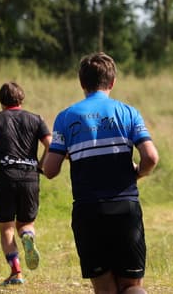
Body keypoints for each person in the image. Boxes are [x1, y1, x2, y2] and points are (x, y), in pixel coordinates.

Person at [43, 52, 159, 294]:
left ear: (82, 83)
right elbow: (151, 157)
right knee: (132, 286)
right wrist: (138, 173)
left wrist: (69, 150)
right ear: (113, 82)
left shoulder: (65, 117)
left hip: (88, 211)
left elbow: (50, 170)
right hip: (125, 208)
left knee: (104, 288)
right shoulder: (129, 113)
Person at [0, 81, 51, 286]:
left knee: (6, 227)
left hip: (5, 178)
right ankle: (27, 236)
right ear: (21, 99)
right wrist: (40, 165)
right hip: (30, 178)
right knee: (26, 223)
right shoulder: (37, 119)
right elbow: (51, 145)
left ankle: (16, 271)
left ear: (1, 102)